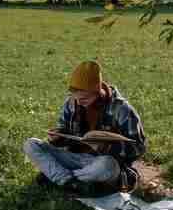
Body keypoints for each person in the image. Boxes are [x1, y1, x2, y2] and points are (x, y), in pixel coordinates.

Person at [23, 61, 146, 194]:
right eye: (76, 97)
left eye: (85, 98)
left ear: (98, 90)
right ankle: (71, 181)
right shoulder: (71, 103)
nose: (79, 101)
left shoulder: (121, 109)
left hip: (103, 162)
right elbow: (64, 132)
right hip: (74, 157)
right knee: (31, 145)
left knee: (105, 166)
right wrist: (57, 137)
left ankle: (59, 177)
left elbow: (138, 147)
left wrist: (107, 147)